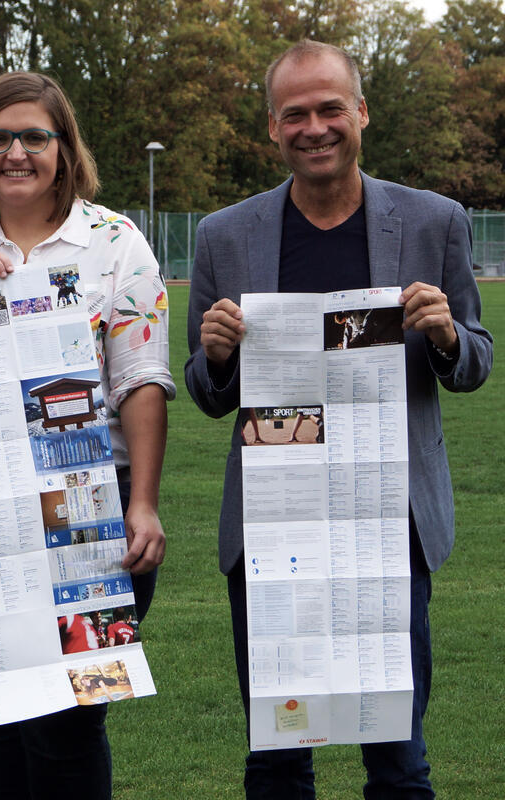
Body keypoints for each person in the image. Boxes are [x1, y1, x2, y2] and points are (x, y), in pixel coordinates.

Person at [184, 40, 492, 799]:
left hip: (388, 523)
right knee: (278, 755)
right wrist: (216, 356)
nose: (314, 127)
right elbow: (208, 392)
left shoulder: (434, 221)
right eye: (295, 114)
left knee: (398, 757)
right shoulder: (223, 234)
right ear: (272, 127)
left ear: (361, 112)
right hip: (273, 525)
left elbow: (477, 362)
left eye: (330, 108)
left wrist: (448, 336)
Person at [0, 71, 173, 800]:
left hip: (85, 508)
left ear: (64, 149)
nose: (16, 153)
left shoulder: (114, 241)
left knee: (70, 726)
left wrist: (142, 503)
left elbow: (141, 380)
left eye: (34, 137)